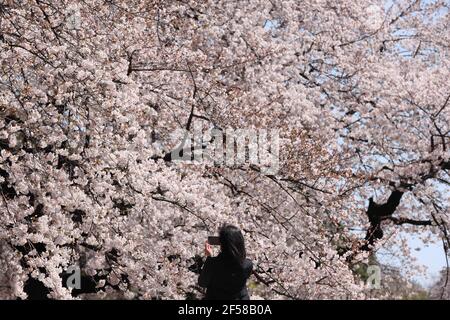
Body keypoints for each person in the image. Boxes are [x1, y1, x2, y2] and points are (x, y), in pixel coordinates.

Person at [198, 224, 253, 300]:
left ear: (222, 244)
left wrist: (209, 257)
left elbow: (202, 282)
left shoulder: (214, 263)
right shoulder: (247, 264)